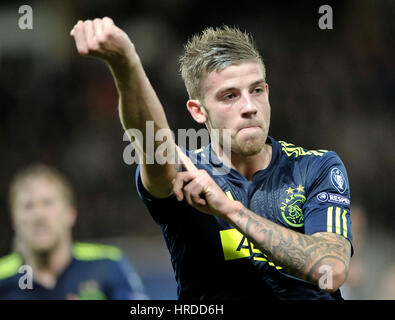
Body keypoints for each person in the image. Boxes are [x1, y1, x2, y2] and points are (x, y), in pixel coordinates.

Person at [70, 17, 353, 300]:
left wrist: (229, 209)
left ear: (267, 92)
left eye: (256, 90)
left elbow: (330, 269)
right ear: (198, 111)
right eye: (229, 96)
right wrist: (126, 64)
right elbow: (150, 141)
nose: (249, 107)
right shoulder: (187, 176)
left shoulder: (315, 167)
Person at [0, 163, 148, 300]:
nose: (39, 215)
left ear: (70, 214)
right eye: (28, 206)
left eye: (48, 203)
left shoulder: (107, 265)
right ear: (14, 220)